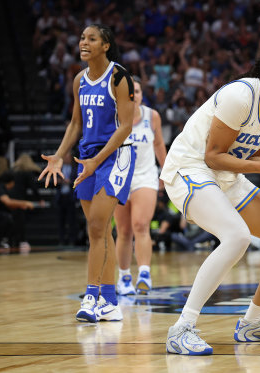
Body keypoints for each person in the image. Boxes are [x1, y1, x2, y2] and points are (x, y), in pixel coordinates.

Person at [160, 41, 260, 355]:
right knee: (237, 236)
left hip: (225, 178)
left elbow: (248, 160)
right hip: (189, 168)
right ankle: (182, 328)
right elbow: (214, 156)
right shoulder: (240, 95)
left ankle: (252, 323)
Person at [38, 24, 136, 324]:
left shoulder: (119, 76)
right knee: (100, 232)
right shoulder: (79, 79)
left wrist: (97, 160)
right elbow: (75, 124)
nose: (84, 42)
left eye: (91, 38)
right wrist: (59, 154)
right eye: (82, 38)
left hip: (115, 155)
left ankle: (91, 295)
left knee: (96, 226)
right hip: (87, 157)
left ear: (105, 45)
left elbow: (126, 127)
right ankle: (110, 302)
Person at [114, 75, 167, 296]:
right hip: (119, 178)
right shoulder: (113, 117)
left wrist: (166, 171)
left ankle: (144, 273)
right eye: (128, 92)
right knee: (124, 231)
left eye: (136, 91)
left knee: (140, 225)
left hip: (145, 176)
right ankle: (124, 276)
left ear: (141, 95)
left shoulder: (151, 116)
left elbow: (159, 143)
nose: (133, 96)